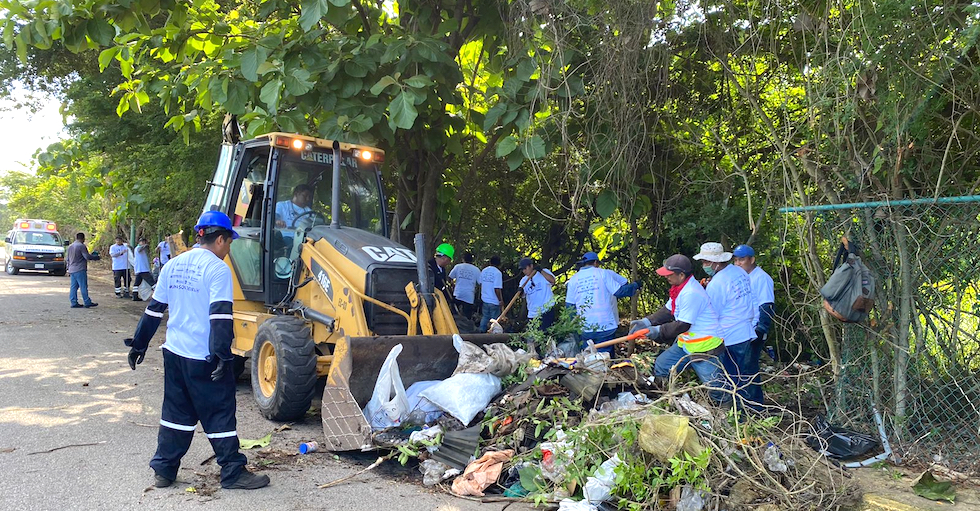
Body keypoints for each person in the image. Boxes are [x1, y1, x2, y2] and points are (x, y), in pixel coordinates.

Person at [124, 211, 270, 491]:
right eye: (229, 243)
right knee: (220, 413)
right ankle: (232, 471)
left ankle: (164, 469)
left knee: (176, 413)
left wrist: (139, 344)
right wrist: (222, 355)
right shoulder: (217, 269)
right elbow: (220, 317)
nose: (229, 249)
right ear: (220, 240)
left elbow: (154, 311)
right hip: (203, 356)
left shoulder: (173, 265)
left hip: (175, 354)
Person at [631, 254, 725, 401]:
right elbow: (668, 310)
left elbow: (682, 324)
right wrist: (647, 321)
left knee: (715, 387)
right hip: (687, 343)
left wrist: (658, 331)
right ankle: (667, 399)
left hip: (705, 347)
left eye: (670, 274)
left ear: (681, 275)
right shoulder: (679, 288)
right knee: (662, 365)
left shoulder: (691, 293)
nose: (666, 277)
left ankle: (724, 413)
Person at [693, 242, 755, 408]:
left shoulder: (718, 283)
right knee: (744, 378)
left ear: (716, 262)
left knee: (732, 381)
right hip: (745, 331)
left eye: (706, 262)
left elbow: (713, 313)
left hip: (730, 336)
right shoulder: (738, 272)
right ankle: (748, 415)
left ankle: (737, 417)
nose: (704, 265)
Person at [564, 251, 640, 354]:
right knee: (605, 357)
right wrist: (634, 286)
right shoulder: (602, 273)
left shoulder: (573, 279)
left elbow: (570, 306)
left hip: (585, 327)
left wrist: (575, 328)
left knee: (588, 356)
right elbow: (619, 291)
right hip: (605, 324)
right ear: (595, 262)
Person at [732, 244, 776, 409]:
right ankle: (744, 406)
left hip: (753, 330)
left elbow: (767, 305)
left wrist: (760, 329)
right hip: (739, 330)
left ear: (752, 259)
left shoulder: (761, 278)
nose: (738, 263)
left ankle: (754, 408)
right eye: (736, 260)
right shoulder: (740, 277)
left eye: (742, 259)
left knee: (748, 370)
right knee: (741, 369)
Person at [518, 257, 557, 331]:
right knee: (534, 336)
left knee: (546, 334)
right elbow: (522, 295)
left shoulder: (544, 273)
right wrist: (520, 291)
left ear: (531, 266)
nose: (524, 271)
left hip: (546, 310)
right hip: (533, 313)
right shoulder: (523, 281)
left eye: (525, 268)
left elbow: (552, 281)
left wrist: (541, 270)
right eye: (522, 269)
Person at [66, 232, 99, 309]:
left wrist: (68, 268)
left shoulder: (70, 246)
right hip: (80, 269)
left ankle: (73, 302)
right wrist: (95, 257)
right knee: (83, 286)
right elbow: (86, 256)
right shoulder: (81, 246)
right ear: (83, 238)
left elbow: (67, 259)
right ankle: (87, 301)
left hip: (72, 269)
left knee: (73, 287)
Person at [448, 252, 480, 318]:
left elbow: (450, 278)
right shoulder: (476, 270)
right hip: (469, 296)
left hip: (458, 293)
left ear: (463, 259)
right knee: (467, 316)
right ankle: (466, 327)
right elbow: (480, 283)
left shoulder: (458, 267)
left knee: (454, 314)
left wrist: (452, 285)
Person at [479, 255, 504, 332]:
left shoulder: (484, 271)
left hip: (485, 299)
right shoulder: (497, 273)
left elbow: (480, 283)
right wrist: (500, 300)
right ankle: (493, 336)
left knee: (485, 317)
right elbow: (497, 288)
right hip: (494, 301)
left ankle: (481, 332)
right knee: (495, 320)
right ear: (499, 264)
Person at [132, 237, 156, 301]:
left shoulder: (143, 250)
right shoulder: (138, 248)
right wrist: (145, 246)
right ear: (139, 242)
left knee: (137, 284)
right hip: (143, 269)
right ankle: (157, 295)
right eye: (142, 242)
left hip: (140, 269)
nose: (143, 243)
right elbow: (140, 249)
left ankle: (135, 296)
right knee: (152, 282)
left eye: (144, 242)